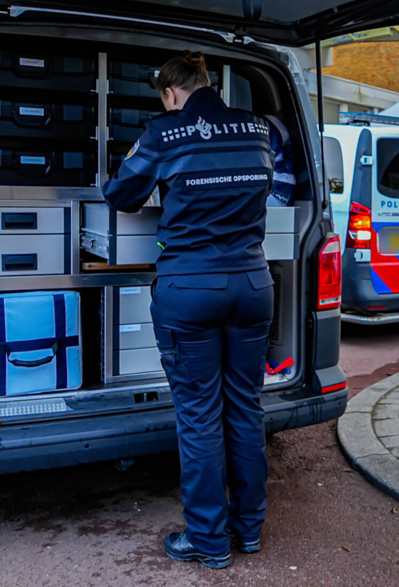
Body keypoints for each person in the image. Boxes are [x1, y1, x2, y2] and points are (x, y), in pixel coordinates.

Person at [102, 51, 274, 570]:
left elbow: (121, 195)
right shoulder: (258, 131)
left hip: (191, 289)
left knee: (199, 416)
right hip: (253, 284)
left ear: (170, 93)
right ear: (207, 82)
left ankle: (208, 540)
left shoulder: (164, 133)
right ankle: (248, 530)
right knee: (244, 407)